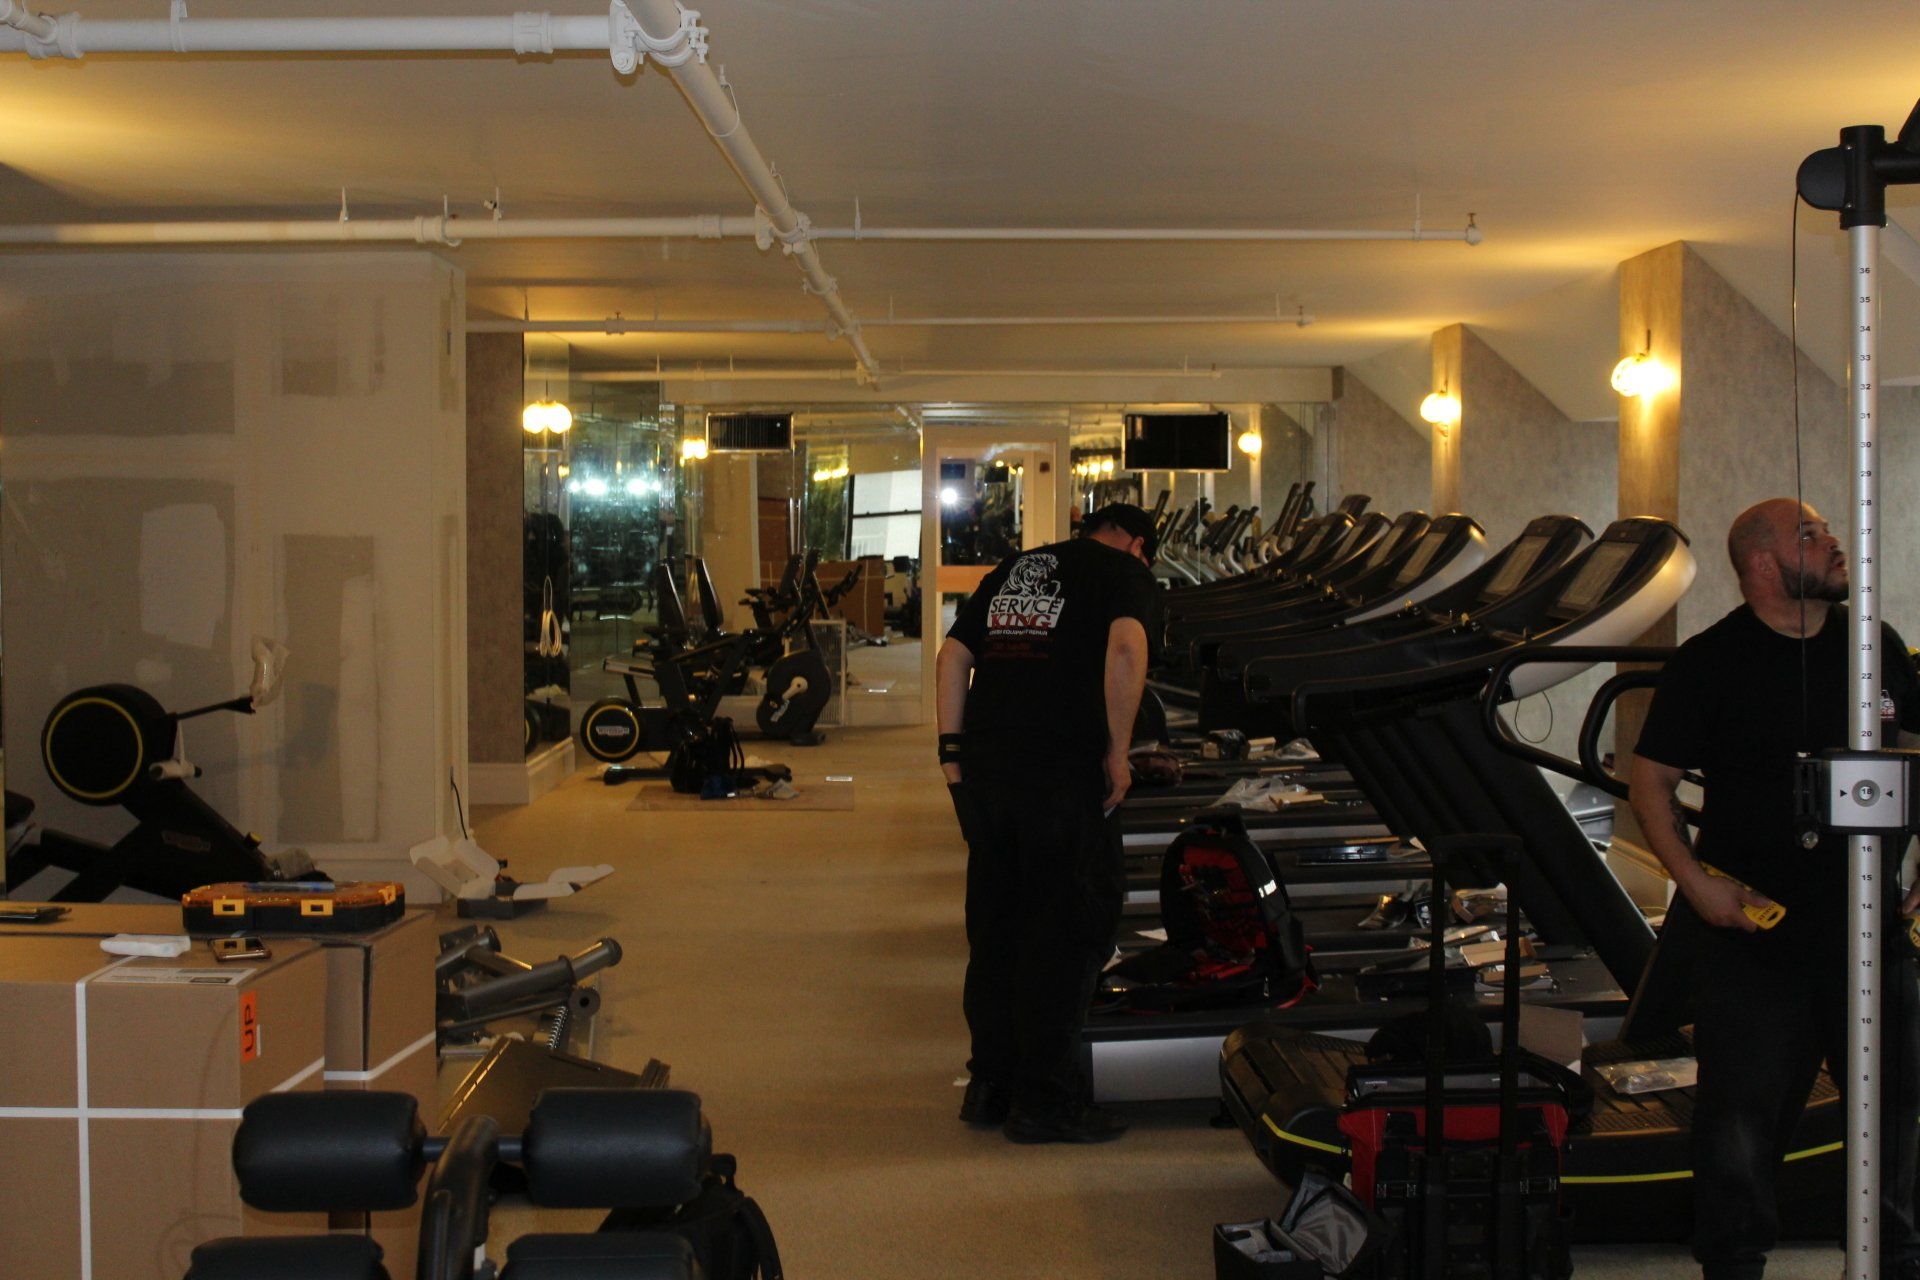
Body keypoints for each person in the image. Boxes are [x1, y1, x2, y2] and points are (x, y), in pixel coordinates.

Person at [1629, 498, 1920, 1280]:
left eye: (1827, 533)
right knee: (1739, 1135)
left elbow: (1916, 751)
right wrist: (1695, 887)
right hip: (1757, 940)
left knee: (1896, 1126)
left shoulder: (1876, 647)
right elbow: (1649, 782)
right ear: (1762, 563)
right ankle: (1734, 1267)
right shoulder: (1710, 660)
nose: (1833, 545)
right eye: (1810, 535)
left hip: (1871, 934)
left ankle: (1895, 1263)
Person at [935, 502, 1159, 1143]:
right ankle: (1043, 1103)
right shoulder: (1125, 576)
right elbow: (1125, 646)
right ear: (1138, 544)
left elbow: (953, 656)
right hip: (1061, 780)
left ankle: (991, 1086)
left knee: (998, 930)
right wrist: (1118, 751)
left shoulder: (1019, 566)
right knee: (1065, 935)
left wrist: (952, 759)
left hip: (988, 775)